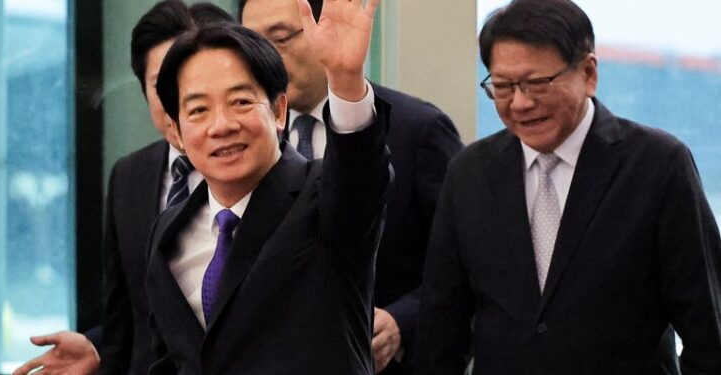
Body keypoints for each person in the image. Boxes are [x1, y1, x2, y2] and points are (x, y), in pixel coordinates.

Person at [413, 0, 721, 374]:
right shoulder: (469, 173)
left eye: (537, 83)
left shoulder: (657, 165)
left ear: (588, 73)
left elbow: (708, 327)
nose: (521, 103)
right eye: (504, 86)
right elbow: (441, 328)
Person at [144, 0, 389, 373]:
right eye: (198, 110)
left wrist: (345, 80)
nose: (221, 125)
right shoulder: (169, 230)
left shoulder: (322, 197)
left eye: (241, 101)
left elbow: (360, 176)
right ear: (175, 132)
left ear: (278, 111)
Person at [238, 0, 463, 372]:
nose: (264, 59)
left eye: (279, 39)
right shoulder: (250, 138)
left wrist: (400, 321)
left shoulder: (416, 130)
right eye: (251, 43)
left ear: (322, 27)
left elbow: (460, 263)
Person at [12, 2, 233, 375]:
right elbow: (126, 319)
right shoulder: (131, 175)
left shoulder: (277, 177)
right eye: (161, 84)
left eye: (193, 83)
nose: (178, 101)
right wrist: (98, 352)